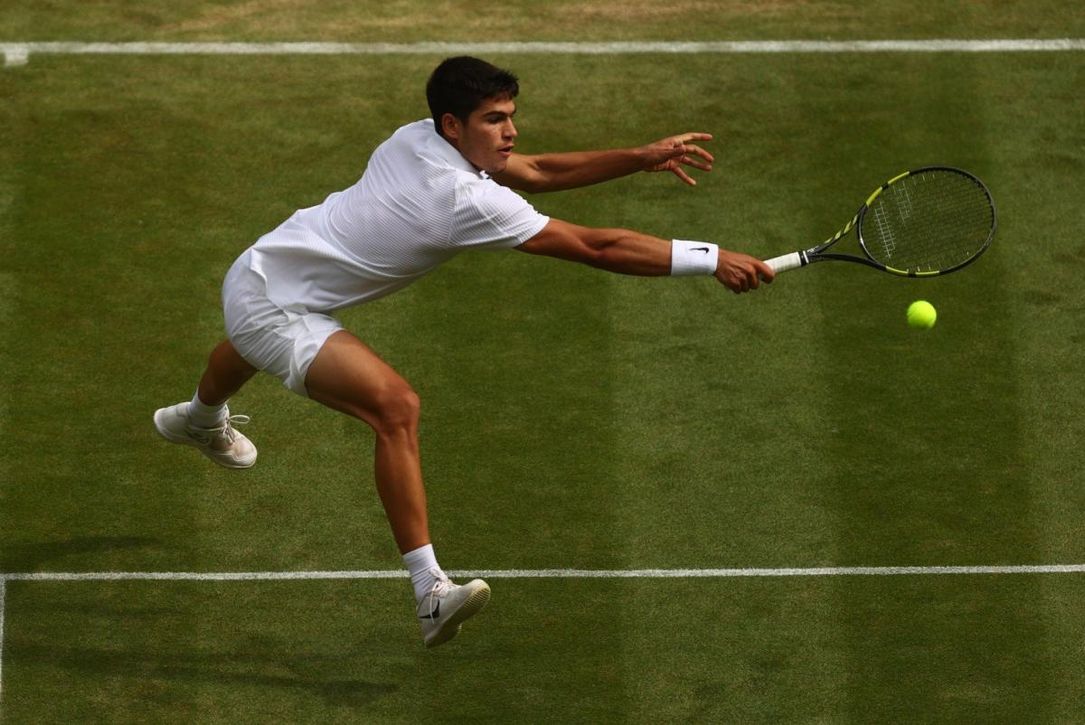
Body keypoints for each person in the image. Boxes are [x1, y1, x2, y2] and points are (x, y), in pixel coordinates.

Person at [154, 56, 773, 648]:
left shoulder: (412, 137)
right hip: (275, 305)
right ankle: (430, 593)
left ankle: (199, 418)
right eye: (494, 120)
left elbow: (539, 172)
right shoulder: (461, 200)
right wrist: (711, 258)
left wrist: (640, 157)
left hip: (262, 266)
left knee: (254, 341)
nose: (511, 132)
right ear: (453, 126)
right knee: (395, 408)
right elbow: (597, 247)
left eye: (509, 115)